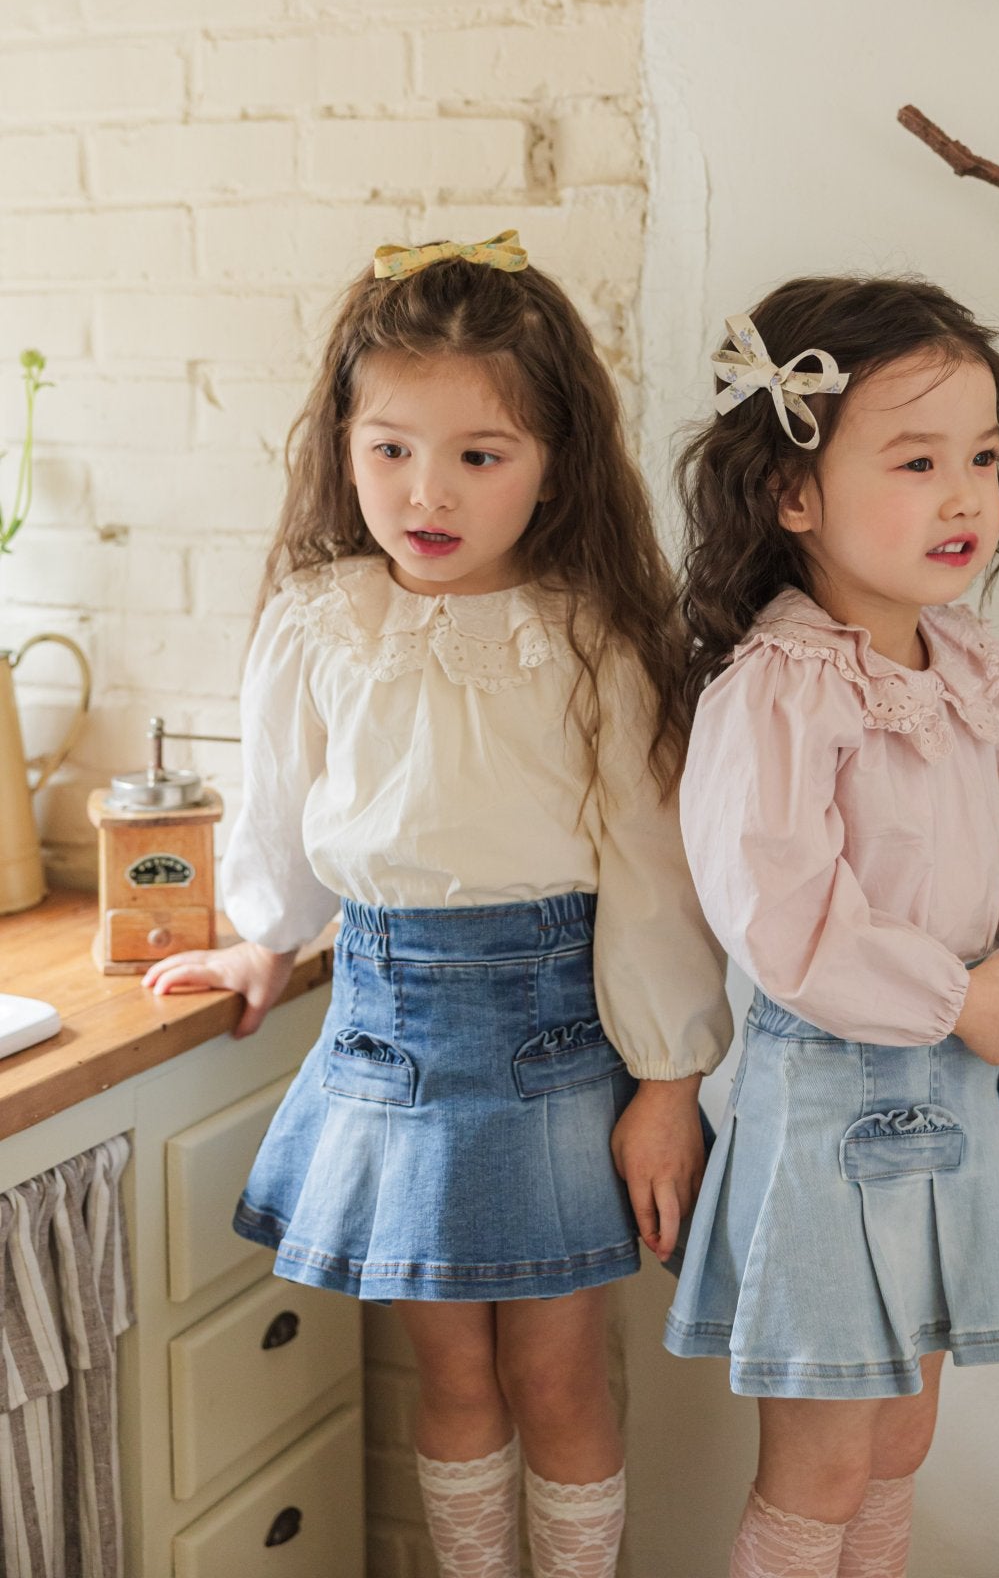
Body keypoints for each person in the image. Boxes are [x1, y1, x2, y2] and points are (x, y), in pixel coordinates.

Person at [144, 231, 732, 1578]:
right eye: (392, 448)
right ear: (343, 445)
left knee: (558, 1377)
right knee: (451, 1379)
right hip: (381, 1033)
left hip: (554, 1043)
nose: (429, 490)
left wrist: (667, 1080)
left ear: (555, 463)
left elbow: (655, 873)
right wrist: (263, 940)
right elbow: (283, 808)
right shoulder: (317, 619)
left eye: (481, 454)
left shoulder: (593, 634)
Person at [664, 279, 999, 1578]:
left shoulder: (969, 666)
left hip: (957, 1090)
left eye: (982, 457)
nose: (964, 497)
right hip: (832, 1105)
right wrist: (960, 997)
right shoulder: (780, 690)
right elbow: (782, 916)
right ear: (793, 493)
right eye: (916, 462)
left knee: (904, 1436)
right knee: (825, 1464)